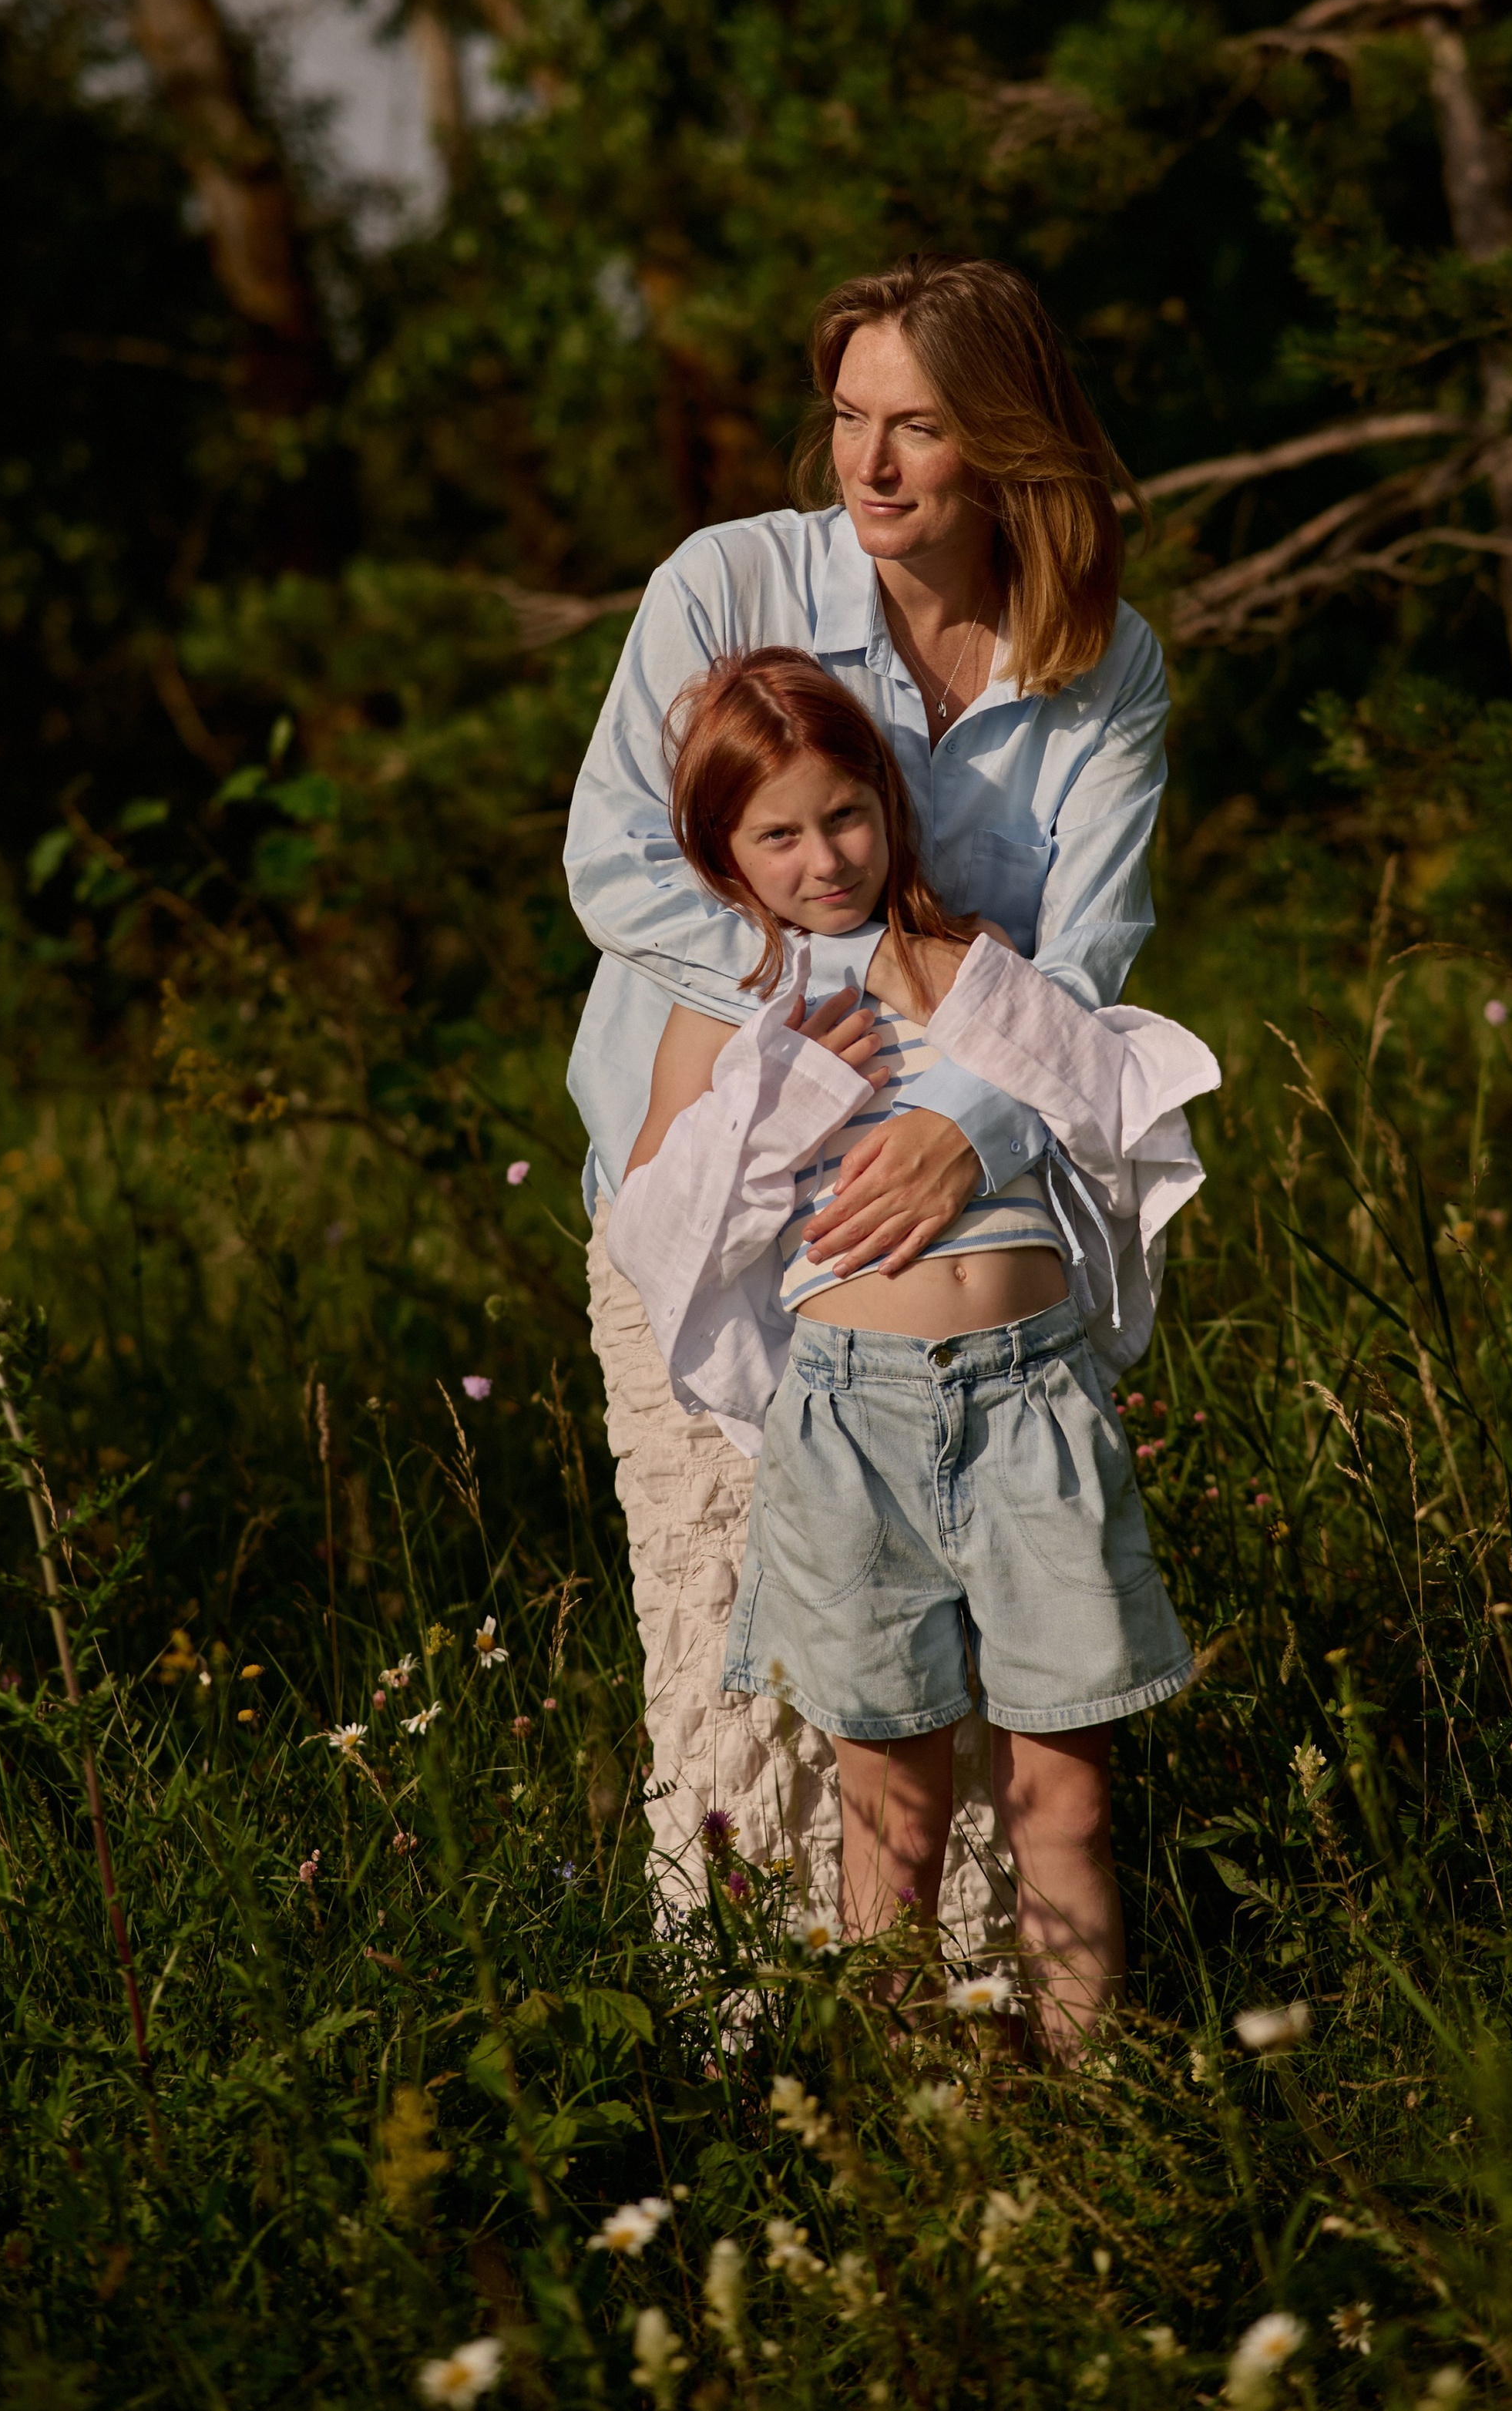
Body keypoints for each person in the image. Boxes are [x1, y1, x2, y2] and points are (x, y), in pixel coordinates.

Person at [565, 254, 1170, 1939]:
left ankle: (978, 2080)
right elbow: (618, 864)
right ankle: (758, 2078)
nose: (870, 464)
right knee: (739, 1670)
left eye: (917, 426)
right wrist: (824, 996)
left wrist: (953, 1124)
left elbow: (1090, 949)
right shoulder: (727, 584)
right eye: (847, 418)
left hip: (959, 1235)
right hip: (725, 1198)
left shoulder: (1100, 664)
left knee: (970, 1711)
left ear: (1008, 443)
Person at [609, 649, 1215, 2056]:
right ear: (723, 858)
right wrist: (797, 1091)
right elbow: (658, 1229)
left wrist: (978, 1049)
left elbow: (1118, 1104)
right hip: (853, 1418)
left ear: (890, 805)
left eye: (847, 816)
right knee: (895, 1817)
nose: (823, 858)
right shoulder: (730, 1012)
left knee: (1064, 1797)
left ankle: (1089, 2114)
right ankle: (907, 2138)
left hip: (1029, 1396)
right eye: (779, 833)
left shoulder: (983, 963)